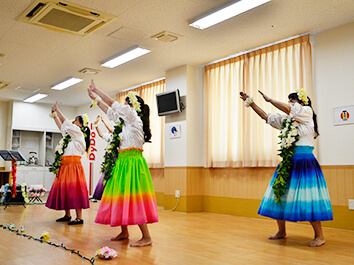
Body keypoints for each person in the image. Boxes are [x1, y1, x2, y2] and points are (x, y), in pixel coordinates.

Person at [240, 89, 333, 247]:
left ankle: (319, 236)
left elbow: (290, 110)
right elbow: (266, 116)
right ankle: (281, 231)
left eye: (293, 101)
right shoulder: (287, 121)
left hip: (305, 163)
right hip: (288, 162)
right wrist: (251, 102)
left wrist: (270, 99)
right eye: (289, 100)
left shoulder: (307, 113)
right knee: (280, 195)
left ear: (302, 104)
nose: (290, 104)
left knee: (308, 198)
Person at [87, 80, 158, 247]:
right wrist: (95, 100)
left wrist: (97, 90)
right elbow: (109, 110)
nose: (123, 106)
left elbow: (112, 104)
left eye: (126, 103)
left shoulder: (134, 118)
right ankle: (124, 231)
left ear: (132, 106)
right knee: (120, 197)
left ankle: (146, 237)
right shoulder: (124, 123)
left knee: (135, 199)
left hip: (133, 162)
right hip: (122, 162)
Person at [45, 101, 90, 225]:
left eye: (75, 120)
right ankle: (67, 215)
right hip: (65, 165)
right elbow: (62, 127)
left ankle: (79, 218)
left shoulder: (78, 133)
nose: (72, 122)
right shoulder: (70, 136)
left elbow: (66, 123)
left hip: (73, 166)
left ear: (80, 125)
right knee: (65, 191)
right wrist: (54, 115)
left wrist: (58, 110)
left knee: (75, 191)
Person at [92, 114, 113, 200]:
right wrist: (96, 125)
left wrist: (103, 121)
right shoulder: (111, 136)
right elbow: (101, 135)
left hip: (117, 159)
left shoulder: (120, 134)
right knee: (105, 180)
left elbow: (111, 130)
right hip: (109, 160)